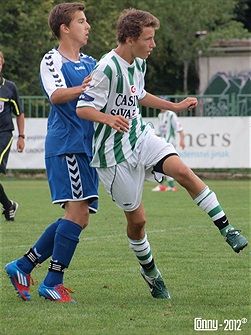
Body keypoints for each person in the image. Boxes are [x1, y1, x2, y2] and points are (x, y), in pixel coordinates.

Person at [76, 8, 248, 299]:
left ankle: (227, 228)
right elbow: (83, 106)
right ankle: (151, 273)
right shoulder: (106, 67)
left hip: (140, 136)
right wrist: (108, 118)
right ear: (130, 39)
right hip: (112, 155)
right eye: (149, 39)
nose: (153, 44)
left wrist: (175, 106)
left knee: (182, 171)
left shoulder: (139, 63)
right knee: (138, 222)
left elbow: (139, 95)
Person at [5, 2, 98, 302]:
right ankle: (52, 281)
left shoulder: (92, 62)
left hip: (86, 147)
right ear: (65, 28)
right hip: (66, 145)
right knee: (77, 213)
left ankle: (23, 266)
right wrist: (86, 87)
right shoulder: (52, 60)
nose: (88, 26)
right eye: (82, 21)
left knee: (79, 217)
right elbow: (57, 95)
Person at [0, 51, 24, 221]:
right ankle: (9, 206)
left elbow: (19, 113)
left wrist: (21, 136)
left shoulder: (9, 87)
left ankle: (9, 206)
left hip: (3, 135)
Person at [152, 109, 185, 192]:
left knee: (165, 163)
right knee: (159, 162)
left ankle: (165, 185)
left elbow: (179, 128)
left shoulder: (171, 115)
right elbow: (159, 131)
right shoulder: (160, 115)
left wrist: (182, 140)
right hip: (162, 142)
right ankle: (167, 185)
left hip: (170, 143)